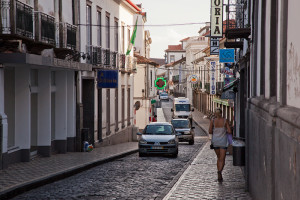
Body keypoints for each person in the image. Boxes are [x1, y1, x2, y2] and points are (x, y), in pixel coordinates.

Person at [208, 108, 232, 182]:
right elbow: (229, 131)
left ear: (215, 114)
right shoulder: (225, 121)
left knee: (218, 158)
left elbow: (210, 131)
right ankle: (219, 171)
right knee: (222, 158)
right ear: (221, 113)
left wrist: (216, 130)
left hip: (215, 141)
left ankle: (218, 171)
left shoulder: (213, 121)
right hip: (223, 141)